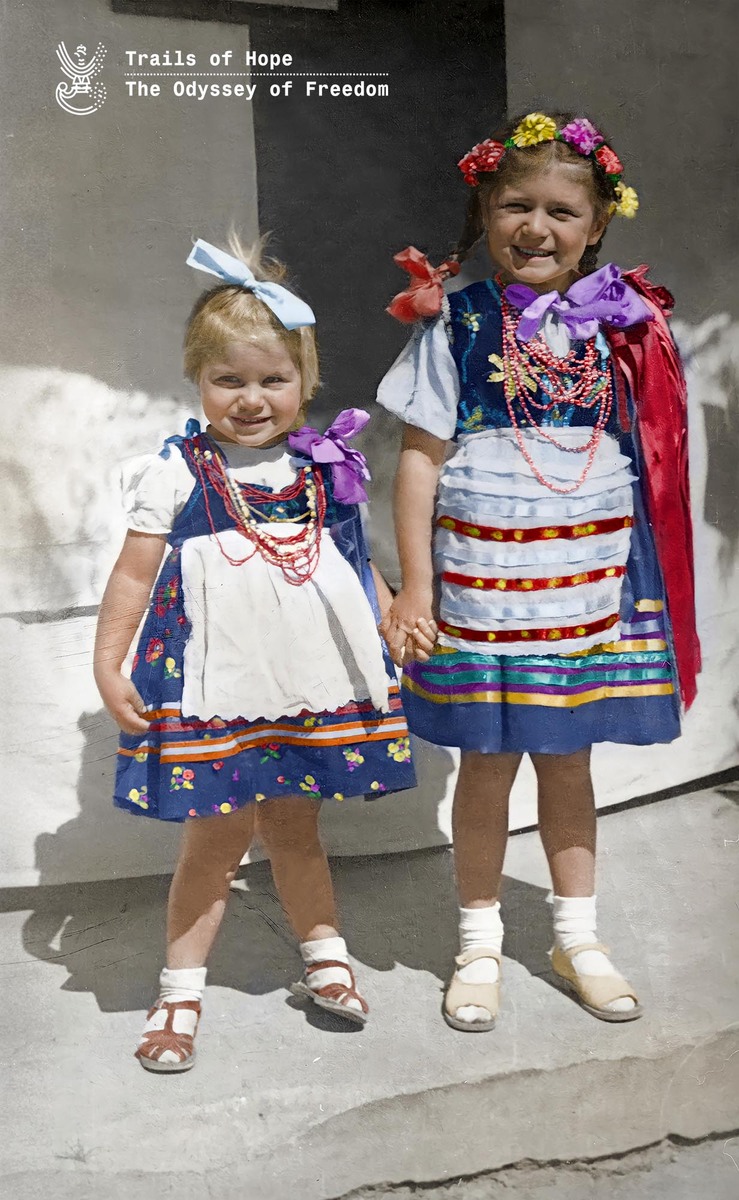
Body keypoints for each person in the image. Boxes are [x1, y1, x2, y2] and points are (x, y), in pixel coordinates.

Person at [377, 112, 700, 1031]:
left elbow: (659, 453)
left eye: (562, 210)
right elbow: (419, 459)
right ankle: (478, 943)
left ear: (595, 224)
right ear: (484, 211)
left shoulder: (620, 328)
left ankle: (577, 937)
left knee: (567, 765)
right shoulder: (459, 323)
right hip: (482, 587)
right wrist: (414, 585)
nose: (536, 227)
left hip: (584, 587)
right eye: (516, 204)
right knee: (487, 766)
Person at [94, 237, 422, 1071]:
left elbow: (353, 560)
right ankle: (178, 995)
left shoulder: (322, 462)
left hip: (303, 681)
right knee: (213, 841)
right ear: (196, 381)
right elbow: (133, 578)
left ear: (304, 382)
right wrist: (108, 663)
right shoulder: (176, 473)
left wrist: (390, 624)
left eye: (272, 380)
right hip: (217, 683)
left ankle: (325, 960)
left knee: (295, 829)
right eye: (228, 380)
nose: (250, 399)